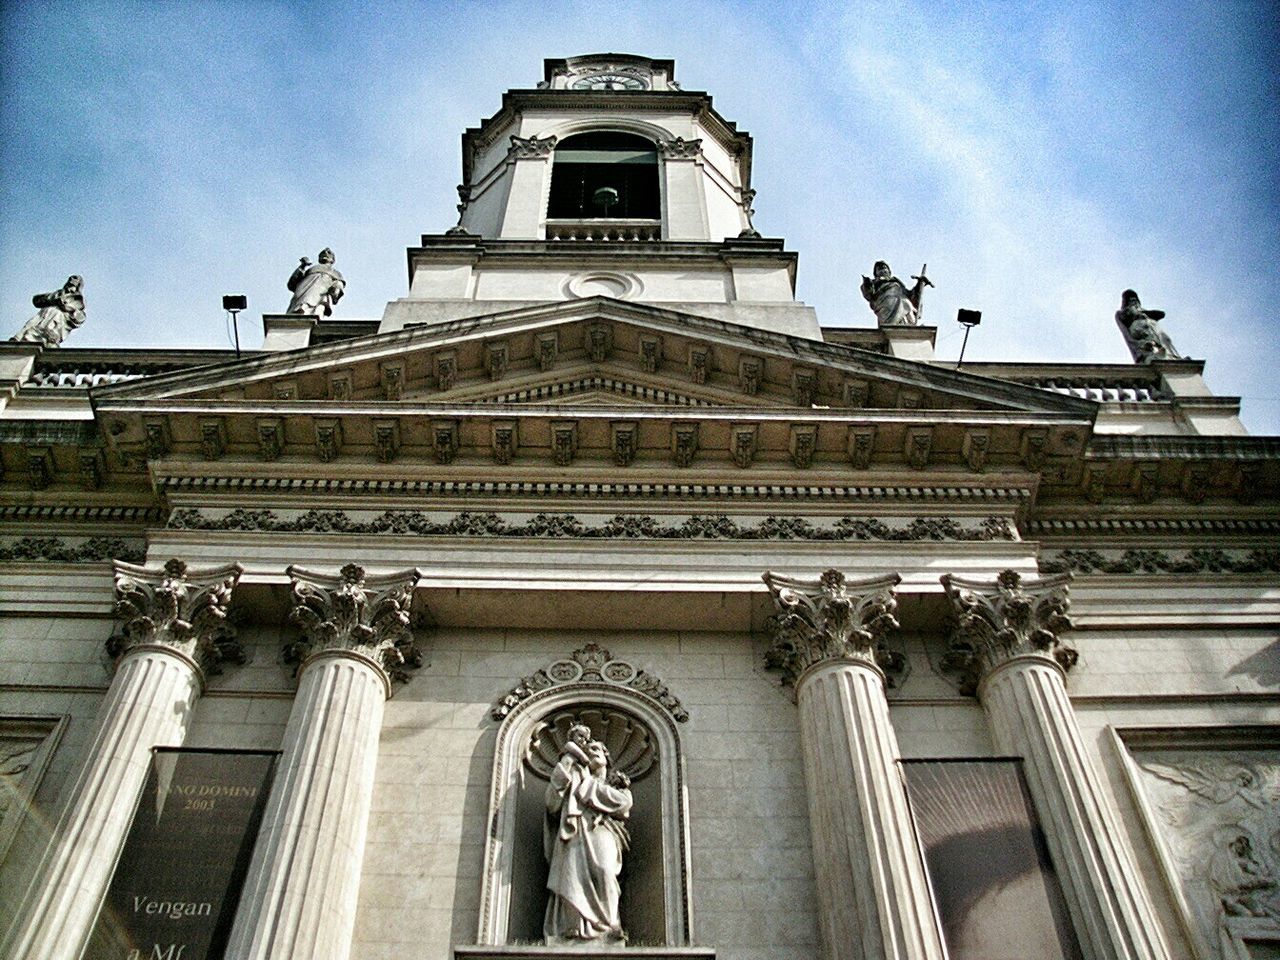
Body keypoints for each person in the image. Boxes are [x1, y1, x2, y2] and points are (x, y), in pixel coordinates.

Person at [544, 724, 633, 945]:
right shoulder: (574, 777)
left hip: (602, 832)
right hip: (574, 829)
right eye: (588, 748)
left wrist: (587, 787)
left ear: (607, 758)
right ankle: (572, 927)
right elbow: (552, 802)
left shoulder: (616, 787)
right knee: (571, 873)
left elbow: (623, 804)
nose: (591, 750)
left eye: (597, 749)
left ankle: (610, 925)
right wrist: (568, 756)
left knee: (604, 870)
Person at [11, 276, 86, 347]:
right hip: (45, 314)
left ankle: (46, 339)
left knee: (55, 317)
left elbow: (78, 317)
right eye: (69, 285)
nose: (70, 289)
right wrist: (54, 298)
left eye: (73, 286)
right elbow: (37, 300)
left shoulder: (78, 300)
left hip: (58, 320)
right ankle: (19, 338)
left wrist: (66, 307)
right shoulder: (57, 294)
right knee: (33, 323)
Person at [1115, 289, 1180, 362]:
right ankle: (1152, 356)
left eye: (1135, 300)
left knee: (1165, 339)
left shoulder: (1143, 311)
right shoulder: (1123, 313)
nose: (1134, 302)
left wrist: (1143, 313)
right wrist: (1135, 345)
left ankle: (1173, 356)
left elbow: (1161, 314)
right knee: (1149, 344)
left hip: (1152, 328)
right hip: (1141, 332)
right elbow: (1124, 330)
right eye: (1131, 300)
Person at [860, 260, 931, 326]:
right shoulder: (874, 282)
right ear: (876, 273)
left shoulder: (896, 282)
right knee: (893, 320)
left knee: (907, 305)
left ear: (889, 271)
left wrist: (919, 284)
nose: (883, 270)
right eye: (879, 268)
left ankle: (909, 326)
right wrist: (867, 284)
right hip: (885, 303)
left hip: (903, 301)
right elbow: (868, 295)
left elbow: (910, 295)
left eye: (885, 268)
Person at [286, 248, 345, 316]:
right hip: (302, 291)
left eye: (329, 253)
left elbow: (339, 284)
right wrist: (302, 266)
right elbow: (292, 283)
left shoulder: (335, 273)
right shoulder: (310, 270)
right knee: (298, 307)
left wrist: (337, 288)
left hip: (320, 292)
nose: (325, 253)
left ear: (333, 260)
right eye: (322, 254)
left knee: (312, 307)